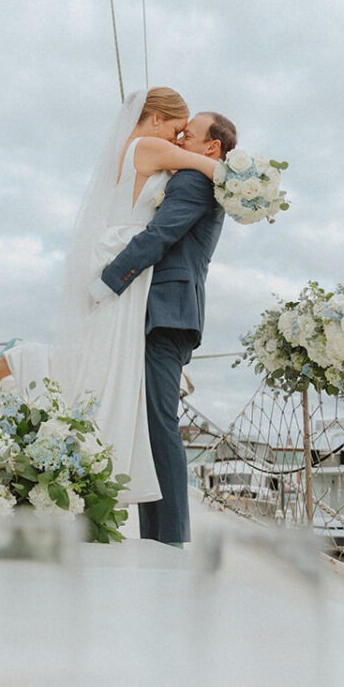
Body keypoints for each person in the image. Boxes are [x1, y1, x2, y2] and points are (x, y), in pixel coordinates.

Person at [0, 88, 225, 515]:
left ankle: (34, 386)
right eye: (177, 129)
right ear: (155, 119)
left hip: (116, 259)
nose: (176, 140)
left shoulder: (131, 149)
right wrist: (243, 177)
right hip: (126, 269)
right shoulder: (148, 145)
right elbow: (209, 168)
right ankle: (25, 366)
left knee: (103, 366)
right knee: (110, 373)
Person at [94, 110, 237, 545]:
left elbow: (160, 235)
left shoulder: (194, 181)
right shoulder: (197, 175)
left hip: (168, 311)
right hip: (164, 311)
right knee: (151, 424)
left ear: (211, 147)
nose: (179, 140)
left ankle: (171, 539)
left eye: (188, 135)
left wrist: (106, 282)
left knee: (159, 422)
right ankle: (156, 536)